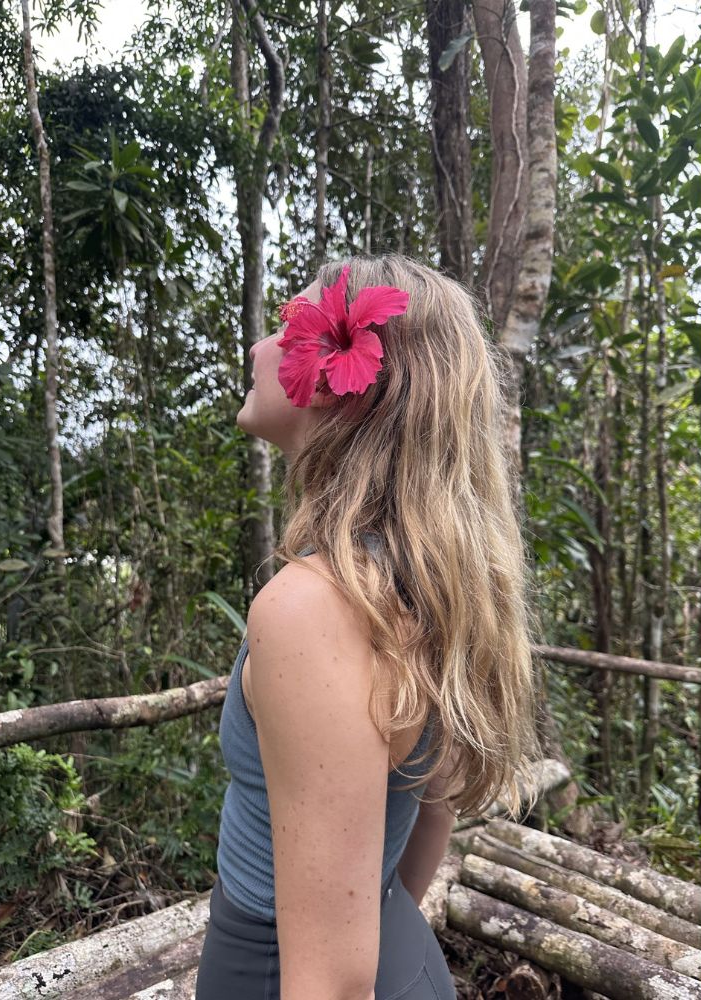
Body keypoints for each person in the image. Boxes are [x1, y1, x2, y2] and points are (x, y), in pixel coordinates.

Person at [196, 253, 544, 1000]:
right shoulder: (421, 586)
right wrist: (380, 927)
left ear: (342, 378)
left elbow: (329, 982)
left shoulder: (314, 608)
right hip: (397, 949)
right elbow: (432, 806)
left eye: (286, 327)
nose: (259, 348)